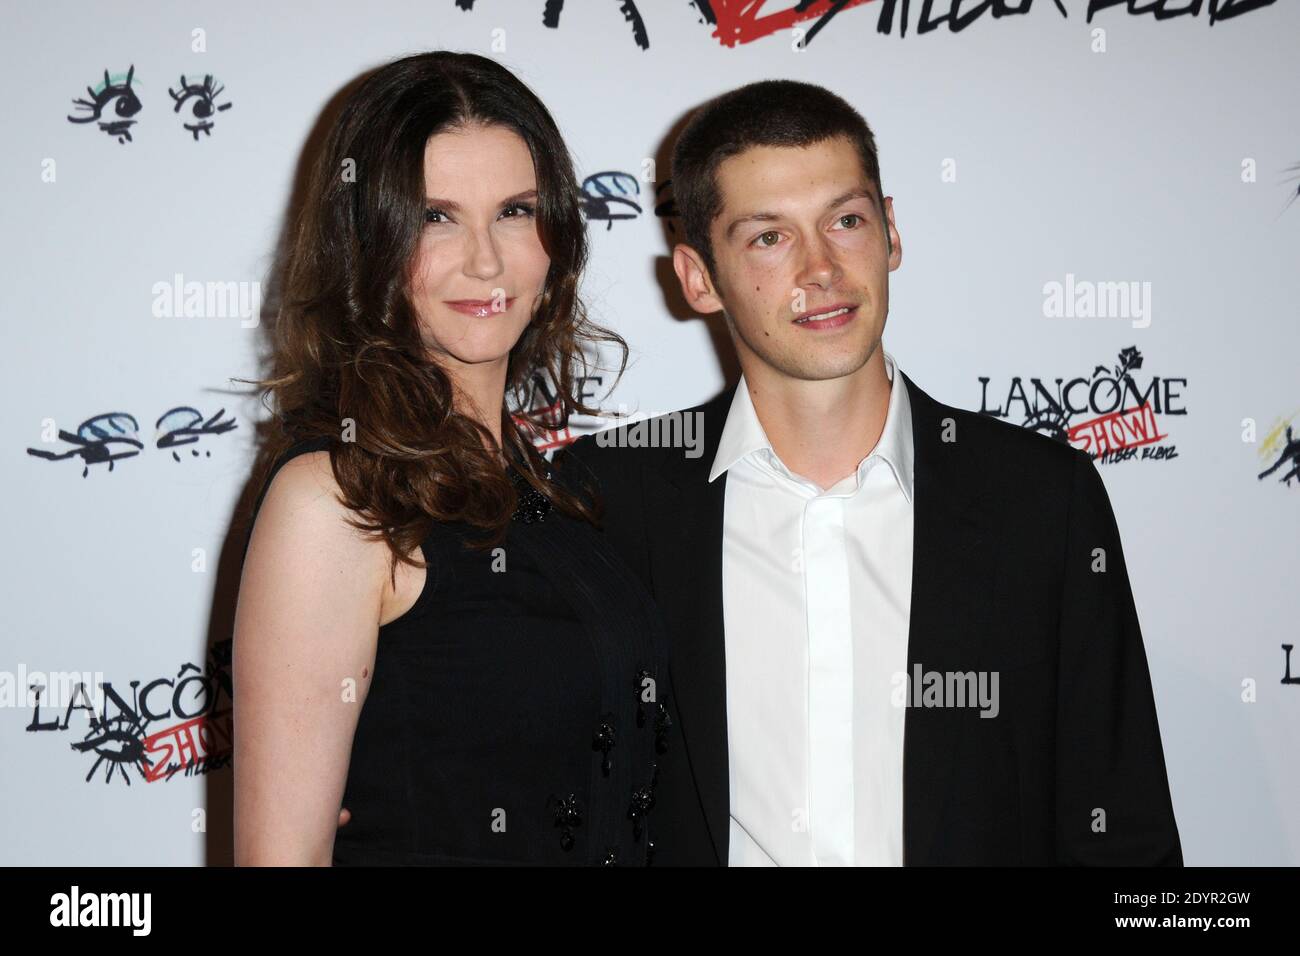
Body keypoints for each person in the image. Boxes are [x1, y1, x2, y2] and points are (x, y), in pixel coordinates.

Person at [557, 79, 1183, 866]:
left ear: (890, 232)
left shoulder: (1040, 500)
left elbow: (1123, 832)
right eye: (768, 238)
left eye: (845, 221)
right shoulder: (606, 500)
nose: (821, 269)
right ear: (698, 278)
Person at [232, 51, 671, 866]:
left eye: (514, 211)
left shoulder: (550, 489)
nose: (486, 260)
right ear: (367, 243)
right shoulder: (334, 500)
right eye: (436, 217)